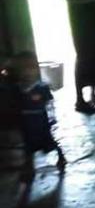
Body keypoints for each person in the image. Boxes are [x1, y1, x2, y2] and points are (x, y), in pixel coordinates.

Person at [10, 52, 67, 181]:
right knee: (28, 147)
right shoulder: (16, 88)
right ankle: (29, 168)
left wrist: (52, 118)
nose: (26, 72)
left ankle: (61, 157)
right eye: (22, 69)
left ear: (36, 69)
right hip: (25, 122)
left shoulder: (42, 87)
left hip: (40, 121)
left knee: (48, 141)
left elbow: (50, 103)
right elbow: (14, 106)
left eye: (30, 68)